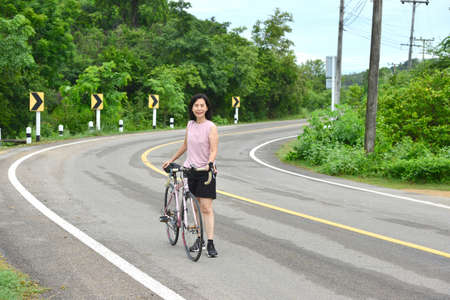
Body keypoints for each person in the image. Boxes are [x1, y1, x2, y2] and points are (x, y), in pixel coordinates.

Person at [162, 93, 219, 258]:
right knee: (195, 207)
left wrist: (210, 163)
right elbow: (185, 146)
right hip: (190, 170)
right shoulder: (190, 125)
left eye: (202, 105)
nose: (199, 108)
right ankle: (199, 239)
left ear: (207, 108)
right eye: (196, 105)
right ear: (192, 108)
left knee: (206, 208)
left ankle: (210, 242)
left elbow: (214, 149)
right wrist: (171, 159)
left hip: (205, 172)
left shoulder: (211, 127)